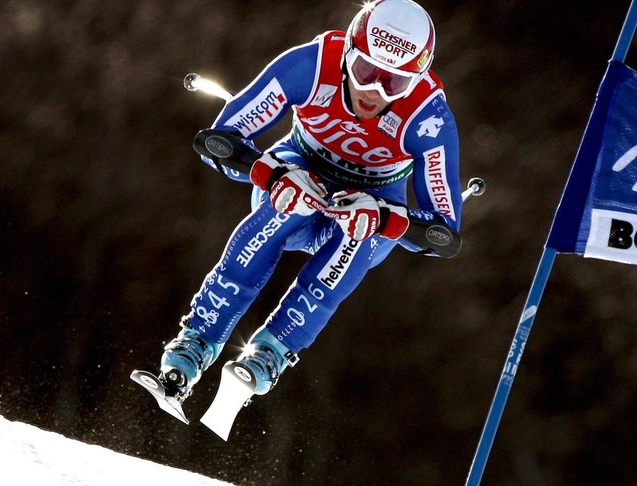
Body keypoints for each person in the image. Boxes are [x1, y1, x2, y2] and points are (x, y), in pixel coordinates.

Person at [158, 0, 463, 401]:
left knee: (362, 235)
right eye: (365, 71)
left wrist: (384, 215)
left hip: (374, 195)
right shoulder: (312, 64)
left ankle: (273, 350)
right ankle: (197, 340)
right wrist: (275, 175)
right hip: (301, 165)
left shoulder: (429, 118)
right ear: (349, 54)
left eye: (394, 83)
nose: (373, 91)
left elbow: (444, 236)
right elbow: (215, 142)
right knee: (291, 201)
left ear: (418, 80)